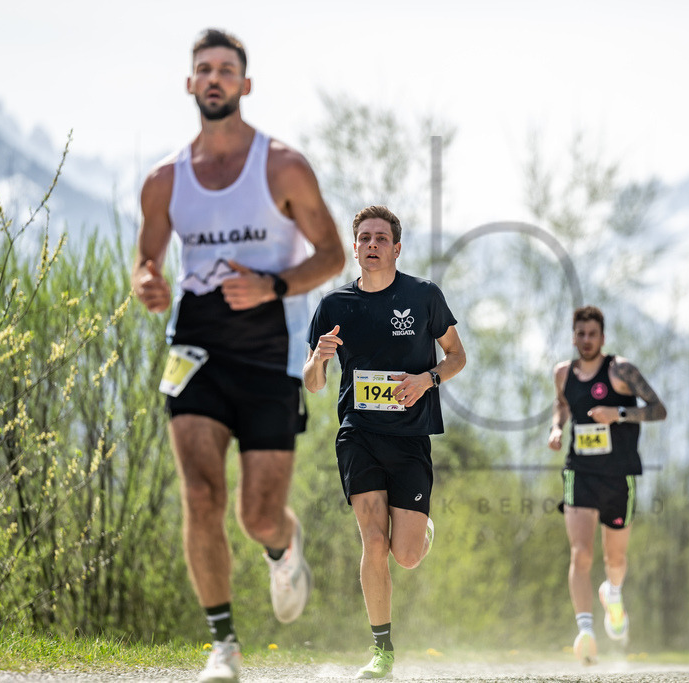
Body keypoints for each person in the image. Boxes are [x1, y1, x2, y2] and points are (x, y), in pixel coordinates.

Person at [131, 28, 345, 683]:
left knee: (255, 513)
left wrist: (275, 285)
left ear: (245, 85)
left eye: (227, 69)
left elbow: (333, 255)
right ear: (191, 84)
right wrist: (147, 282)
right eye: (205, 69)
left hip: (268, 353)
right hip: (194, 348)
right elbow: (147, 259)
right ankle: (223, 645)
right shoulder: (165, 180)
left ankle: (282, 546)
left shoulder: (282, 165)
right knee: (200, 495)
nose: (216, 78)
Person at [303, 205, 465, 679]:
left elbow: (456, 355)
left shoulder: (423, 296)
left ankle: (420, 529)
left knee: (406, 555)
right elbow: (314, 382)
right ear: (354, 248)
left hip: (411, 438)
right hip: (359, 435)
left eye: (381, 238)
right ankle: (382, 651)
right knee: (373, 542)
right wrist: (319, 357)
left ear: (397, 247)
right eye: (364, 238)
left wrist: (427, 379)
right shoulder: (334, 306)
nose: (372, 244)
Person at [548, 305, 667, 665]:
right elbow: (562, 404)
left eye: (593, 334)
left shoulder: (621, 370)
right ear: (573, 336)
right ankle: (585, 631)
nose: (586, 340)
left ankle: (612, 594)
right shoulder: (563, 373)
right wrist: (556, 426)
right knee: (580, 553)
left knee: (615, 559)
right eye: (580, 334)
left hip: (619, 477)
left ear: (603, 337)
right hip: (579, 472)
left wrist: (619, 414)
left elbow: (658, 409)